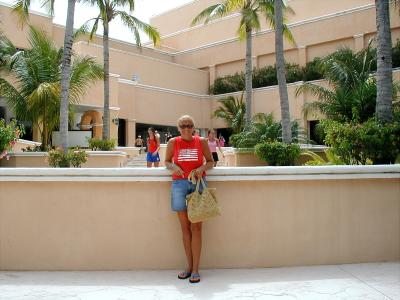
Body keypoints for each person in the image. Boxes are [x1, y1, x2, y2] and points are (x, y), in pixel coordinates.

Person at [165, 115, 214, 284]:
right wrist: (174, 166)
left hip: (198, 184)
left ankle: (195, 270)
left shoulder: (201, 141)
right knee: (185, 229)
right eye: (183, 125)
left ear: (194, 127)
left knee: (197, 228)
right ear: (178, 128)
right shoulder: (173, 142)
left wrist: (201, 168)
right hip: (179, 185)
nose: (186, 128)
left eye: (189, 125)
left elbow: (211, 162)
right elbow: (166, 162)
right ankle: (188, 267)